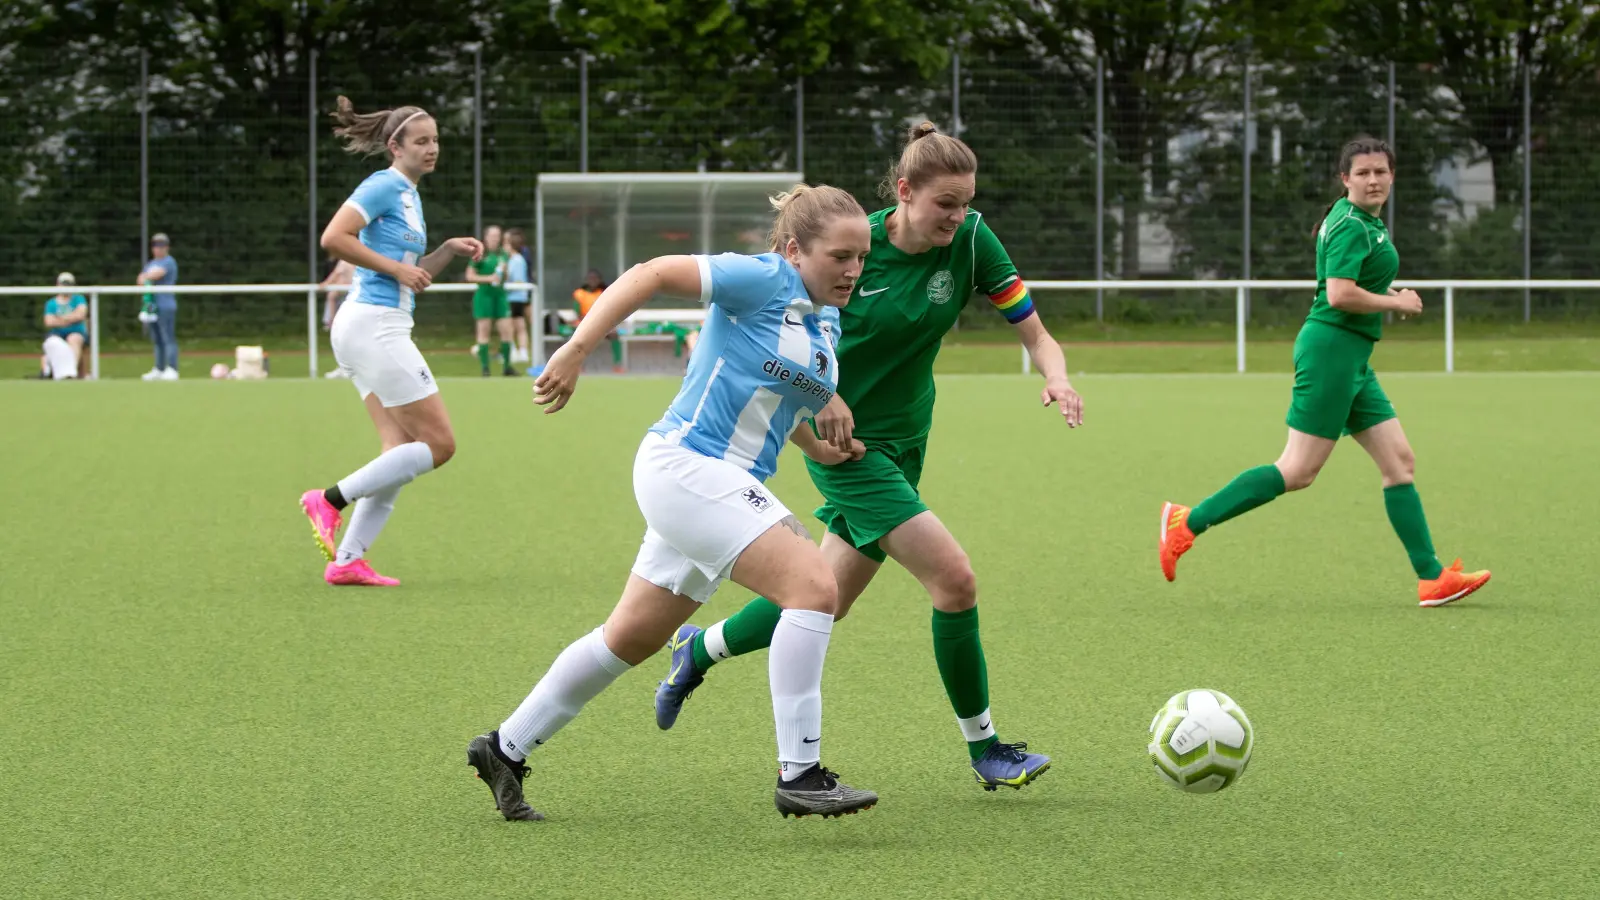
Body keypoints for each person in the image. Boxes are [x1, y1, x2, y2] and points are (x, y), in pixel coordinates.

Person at [652, 122, 1083, 792]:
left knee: (826, 601)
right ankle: (987, 749)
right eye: (944, 203)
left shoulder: (972, 239)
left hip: (910, 441)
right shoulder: (852, 248)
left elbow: (1033, 328)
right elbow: (774, 327)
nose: (957, 215)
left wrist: (1055, 375)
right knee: (955, 581)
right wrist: (814, 407)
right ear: (905, 192)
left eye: (965, 202)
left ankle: (697, 649)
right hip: (844, 450)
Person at [466, 184, 879, 822]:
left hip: (721, 488)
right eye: (840, 256)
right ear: (794, 250)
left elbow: (773, 396)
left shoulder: (826, 316)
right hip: (688, 467)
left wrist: (821, 451)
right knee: (815, 586)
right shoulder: (764, 279)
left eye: (861, 257)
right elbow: (651, 273)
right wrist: (577, 350)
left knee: (629, 637)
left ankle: (504, 747)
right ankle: (800, 772)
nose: (853, 269)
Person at [1159, 136, 1491, 608]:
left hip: (1352, 356)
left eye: (1380, 171)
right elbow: (1339, 294)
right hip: (1331, 351)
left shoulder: (1361, 222)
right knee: (1296, 470)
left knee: (1399, 462)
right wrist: (1396, 302)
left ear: (1392, 175)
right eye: (1363, 173)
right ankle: (1186, 523)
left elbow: (1354, 282)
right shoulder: (1353, 225)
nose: (1373, 179)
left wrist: (1384, 292)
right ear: (1345, 179)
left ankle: (1431, 577)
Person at [298, 96, 484, 587]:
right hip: (374, 325)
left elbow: (411, 276)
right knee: (439, 445)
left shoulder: (408, 194)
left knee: (397, 451)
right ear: (394, 146)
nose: (432, 149)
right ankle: (329, 499)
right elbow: (334, 238)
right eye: (421, 141)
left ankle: (347, 562)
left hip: (369, 325)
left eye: (436, 140)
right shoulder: (383, 185)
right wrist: (397, 267)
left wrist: (445, 250)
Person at [466, 224, 516, 376]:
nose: (495, 239)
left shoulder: (503, 254)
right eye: (492, 236)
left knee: (507, 330)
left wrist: (504, 272)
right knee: (484, 331)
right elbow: (470, 276)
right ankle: (485, 368)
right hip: (484, 296)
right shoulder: (479, 254)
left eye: (497, 236)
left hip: (499, 295)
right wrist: (488, 278)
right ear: (486, 237)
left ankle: (507, 367)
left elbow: (504, 277)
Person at [137, 233, 179, 381]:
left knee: (168, 336)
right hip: (151, 305)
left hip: (166, 304)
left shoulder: (169, 262)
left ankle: (172, 368)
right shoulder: (150, 263)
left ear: (167, 247)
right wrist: (146, 276)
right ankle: (159, 368)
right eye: (155, 246)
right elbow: (140, 280)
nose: (157, 249)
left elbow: (155, 275)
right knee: (156, 338)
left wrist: (147, 276)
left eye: (161, 246)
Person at [573, 268, 624, 372]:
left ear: (600, 280)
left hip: (601, 322)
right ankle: (577, 365)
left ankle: (617, 365)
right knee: (576, 336)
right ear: (586, 280)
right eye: (590, 279)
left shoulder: (603, 292)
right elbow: (578, 313)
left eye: (595, 279)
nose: (593, 281)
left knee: (614, 333)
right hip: (584, 323)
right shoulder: (579, 293)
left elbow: (608, 310)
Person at [39, 272, 88, 380]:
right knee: (52, 342)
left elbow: (80, 315)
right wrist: (70, 319)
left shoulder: (78, 299)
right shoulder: (51, 303)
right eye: (63, 284)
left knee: (74, 339)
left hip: (76, 331)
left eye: (68, 284)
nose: (65, 287)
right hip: (57, 333)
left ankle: (71, 373)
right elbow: (49, 322)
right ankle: (48, 372)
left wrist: (59, 319)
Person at [504, 228, 533, 364]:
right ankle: (522, 352)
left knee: (511, 326)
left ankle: (515, 351)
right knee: (520, 325)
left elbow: (512, 278)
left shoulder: (515, 260)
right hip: (520, 297)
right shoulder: (518, 259)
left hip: (513, 297)